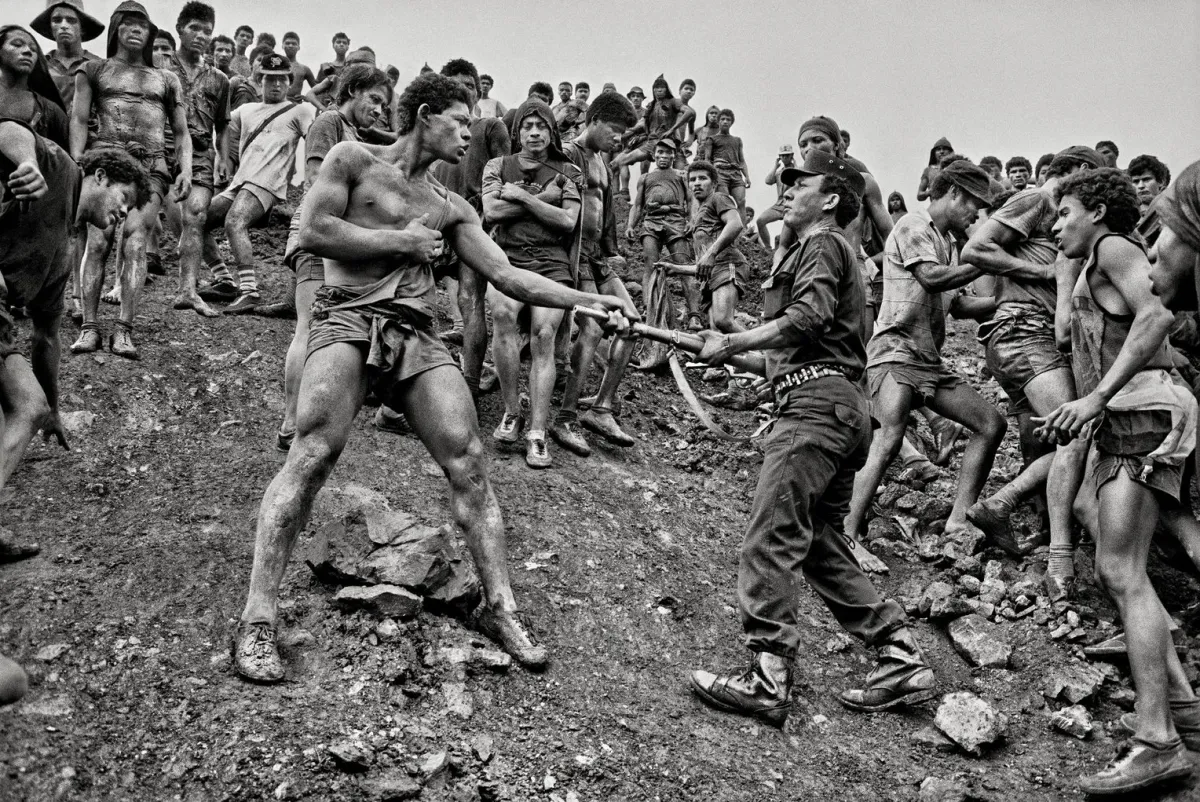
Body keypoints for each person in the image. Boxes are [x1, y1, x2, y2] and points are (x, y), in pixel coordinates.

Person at [230, 72, 634, 682]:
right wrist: (402, 241)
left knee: (470, 459)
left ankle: (502, 608)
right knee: (311, 453)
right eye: (461, 122)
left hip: (416, 334)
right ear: (425, 115)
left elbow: (512, 277)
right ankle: (257, 620)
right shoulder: (351, 159)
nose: (471, 134)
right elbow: (310, 231)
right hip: (348, 317)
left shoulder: (451, 205)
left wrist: (587, 300)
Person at [688, 151, 935, 725]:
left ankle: (769, 677)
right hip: (839, 406)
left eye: (802, 182)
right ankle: (899, 654)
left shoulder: (823, 243)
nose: (789, 188)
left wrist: (736, 341)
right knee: (819, 544)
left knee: (771, 535)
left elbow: (808, 318)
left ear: (829, 199)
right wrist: (713, 343)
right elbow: (796, 352)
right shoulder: (819, 252)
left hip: (815, 411)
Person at [1041, 168, 1196, 796]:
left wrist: (1097, 396)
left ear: (1098, 211)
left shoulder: (1114, 247)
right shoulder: (1093, 259)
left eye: (1065, 211)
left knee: (1121, 569)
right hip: (1123, 415)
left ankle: (1158, 739)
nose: (1056, 226)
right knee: (1102, 540)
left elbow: (1155, 314)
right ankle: (1182, 706)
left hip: (1135, 409)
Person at [0, 121, 149, 559]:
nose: (125, 214)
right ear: (100, 177)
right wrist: (27, 161)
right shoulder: (63, 171)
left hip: (1, 326)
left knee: (29, 407)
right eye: (125, 199)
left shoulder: (64, 256)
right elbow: (7, 127)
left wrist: (56, 409)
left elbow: (45, 338)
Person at [961, 145, 1102, 597]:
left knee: (1043, 437)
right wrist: (1044, 275)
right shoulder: (1038, 199)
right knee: (1077, 433)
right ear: (1077, 171)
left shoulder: (1051, 215)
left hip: (1024, 338)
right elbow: (976, 247)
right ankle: (1011, 511)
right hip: (1026, 334)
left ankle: (1042, 532)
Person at [842, 156, 1005, 542]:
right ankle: (846, 534)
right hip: (894, 350)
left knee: (990, 424)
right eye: (973, 206)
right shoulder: (914, 225)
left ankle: (958, 519)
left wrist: (1010, 303)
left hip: (928, 359)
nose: (975, 216)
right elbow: (931, 279)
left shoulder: (948, 244)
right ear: (953, 193)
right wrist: (985, 263)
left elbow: (960, 304)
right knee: (888, 438)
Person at [268, 62, 389, 450]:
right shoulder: (328, 122)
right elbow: (319, 178)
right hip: (318, 234)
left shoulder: (354, 132)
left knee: (325, 332)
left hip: (340, 238)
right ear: (351, 90)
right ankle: (290, 423)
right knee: (308, 326)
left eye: (384, 105)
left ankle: (309, 421)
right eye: (374, 99)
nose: (379, 110)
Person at [70, 0, 191, 360]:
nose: (136, 30)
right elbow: (78, 118)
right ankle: (90, 327)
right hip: (106, 161)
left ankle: (124, 329)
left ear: (150, 33)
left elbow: (181, 132)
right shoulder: (94, 70)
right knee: (98, 242)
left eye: (143, 24)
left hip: (152, 165)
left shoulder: (167, 79)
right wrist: (78, 161)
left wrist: (184, 169)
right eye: (128, 24)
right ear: (116, 30)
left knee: (136, 243)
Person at [483, 97, 582, 468]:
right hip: (507, 259)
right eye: (528, 126)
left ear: (552, 131)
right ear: (517, 131)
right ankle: (512, 410)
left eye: (542, 126)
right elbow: (491, 211)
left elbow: (568, 222)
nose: (535, 132)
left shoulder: (568, 171)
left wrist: (523, 195)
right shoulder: (497, 165)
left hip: (552, 263)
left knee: (544, 334)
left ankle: (537, 433)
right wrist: (546, 200)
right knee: (504, 315)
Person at [552, 92, 641, 453]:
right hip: (572, 257)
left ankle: (601, 408)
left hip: (596, 259)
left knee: (632, 323)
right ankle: (566, 417)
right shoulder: (569, 153)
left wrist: (612, 250)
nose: (619, 138)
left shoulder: (603, 160)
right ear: (593, 120)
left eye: (623, 133)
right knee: (590, 327)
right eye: (615, 130)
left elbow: (604, 212)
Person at [201, 53, 315, 314]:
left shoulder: (300, 110)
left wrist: (311, 176)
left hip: (267, 182)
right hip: (240, 182)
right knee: (198, 219)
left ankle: (250, 291)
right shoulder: (246, 110)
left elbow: (314, 139)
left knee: (234, 221)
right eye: (270, 79)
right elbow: (221, 128)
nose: (276, 85)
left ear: (289, 82)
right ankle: (224, 280)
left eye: (282, 80)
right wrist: (222, 161)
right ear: (260, 80)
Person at [429, 59, 511, 398]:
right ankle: (420, 374)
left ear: (479, 91)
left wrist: (490, 222)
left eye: (470, 85)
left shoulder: (490, 126)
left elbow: (506, 175)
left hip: (474, 218)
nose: (464, 90)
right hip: (434, 212)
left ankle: (470, 386)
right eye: (454, 84)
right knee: (413, 291)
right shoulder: (433, 129)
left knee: (470, 299)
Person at [161, 1, 229, 319]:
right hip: (160, 146)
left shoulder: (220, 79)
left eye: (207, 31)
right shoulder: (160, 68)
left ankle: (188, 291)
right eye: (195, 28)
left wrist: (224, 158)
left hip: (202, 151)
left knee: (197, 214)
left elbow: (223, 124)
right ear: (180, 29)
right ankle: (122, 284)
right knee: (138, 212)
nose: (201, 35)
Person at [626, 137, 700, 357]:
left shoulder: (681, 176)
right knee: (650, 265)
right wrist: (631, 224)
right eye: (660, 153)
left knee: (683, 265)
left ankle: (694, 314)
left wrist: (692, 220)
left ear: (674, 155)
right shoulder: (645, 177)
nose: (664, 157)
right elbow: (638, 204)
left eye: (668, 153)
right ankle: (650, 310)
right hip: (651, 221)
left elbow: (691, 199)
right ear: (654, 155)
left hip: (676, 220)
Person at [686, 159, 748, 335]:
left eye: (702, 178)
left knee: (723, 321)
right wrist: (671, 268)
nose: (696, 183)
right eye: (692, 179)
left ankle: (763, 354)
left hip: (727, 264)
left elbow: (736, 224)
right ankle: (733, 362)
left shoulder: (718, 198)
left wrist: (712, 254)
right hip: (712, 274)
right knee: (715, 329)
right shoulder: (700, 212)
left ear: (713, 183)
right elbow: (701, 264)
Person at [0, 26, 70, 150]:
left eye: (34, 49)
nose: (28, 51)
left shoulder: (51, 111)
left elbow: (68, 160)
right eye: (17, 44)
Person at [31, 0, 104, 114]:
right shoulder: (39, 66)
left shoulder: (100, 66)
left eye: (71, 21)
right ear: (50, 27)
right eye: (57, 20)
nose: (64, 26)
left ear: (82, 28)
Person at [610, 75, 694, 172]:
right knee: (619, 161)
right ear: (653, 90)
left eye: (662, 87)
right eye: (656, 88)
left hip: (667, 142)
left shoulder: (673, 102)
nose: (659, 90)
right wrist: (622, 136)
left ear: (666, 89)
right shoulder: (651, 105)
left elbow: (689, 112)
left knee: (680, 174)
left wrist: (672, 129)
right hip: (651, 142)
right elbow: (640, 124)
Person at [702, 108, 750, 218]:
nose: (725, 121)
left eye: (728, 119)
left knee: (741, 202)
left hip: (735, 172)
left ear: (731, 122)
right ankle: (725, 228)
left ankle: (741, 232)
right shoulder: (711, 139)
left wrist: (747, 176)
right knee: (725, 201)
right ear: (718, 121)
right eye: (722, 119)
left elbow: (741, 160)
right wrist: (710, 176)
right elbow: (707, 159)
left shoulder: (737, 140)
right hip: (720, 172)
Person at [755, 143, 796, 248]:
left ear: (792, 156)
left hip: (793, 205)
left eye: (787, 155)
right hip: (779, 204)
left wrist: (795, 166)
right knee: (760, 221)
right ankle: (768, 248)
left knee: (787, 236)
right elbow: (768, 181)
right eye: (782, 156)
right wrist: (775, 166)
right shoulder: (778, 172)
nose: (785, 158)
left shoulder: (798, 169)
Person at [1129, 154, 1171, 247]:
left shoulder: (1171, 207)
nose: (1141, 186)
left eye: (1146, 179)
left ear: (1161, 182)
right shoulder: (1127, 213)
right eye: (1136, 181)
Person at [617, 85, 645, 194]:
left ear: (642, 98)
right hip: (628, 143)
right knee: (622, 160)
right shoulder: (625, 113)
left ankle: (643, 189)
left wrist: (639, 136)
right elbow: (621, 129)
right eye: (633, 96)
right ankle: (624, 190)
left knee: (645, 162)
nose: (636, 98)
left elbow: (648, 129)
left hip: (642, 142)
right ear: (630, 98)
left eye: (638, 96)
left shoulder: (646, 112)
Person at [311, 31, 349, 107]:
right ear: (333, 45)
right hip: (326, 106)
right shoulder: (325, 67)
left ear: (348, 46)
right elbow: (316, 90)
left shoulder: (351, 67)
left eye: (344, 43)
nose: (341, 44)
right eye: (338, 42)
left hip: (344, 106)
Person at [281, 32, 315, 103]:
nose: (290, 46)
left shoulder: (304, 69)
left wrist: (306, 98)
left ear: (298, 47)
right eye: (287, 43)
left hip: (296, 106)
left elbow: (317, 90)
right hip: (278, 105)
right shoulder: (276, 66)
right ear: (282, 46)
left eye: (294, 43)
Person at [917, 136, 952, 202]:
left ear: (950, 152)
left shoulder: (956, 168)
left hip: (954, 206)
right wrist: (930, 191)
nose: (941, 151)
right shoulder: (928, 170)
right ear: (934, 153)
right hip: (936, 207)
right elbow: (919, 195)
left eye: (944, 149)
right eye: (938, 149)